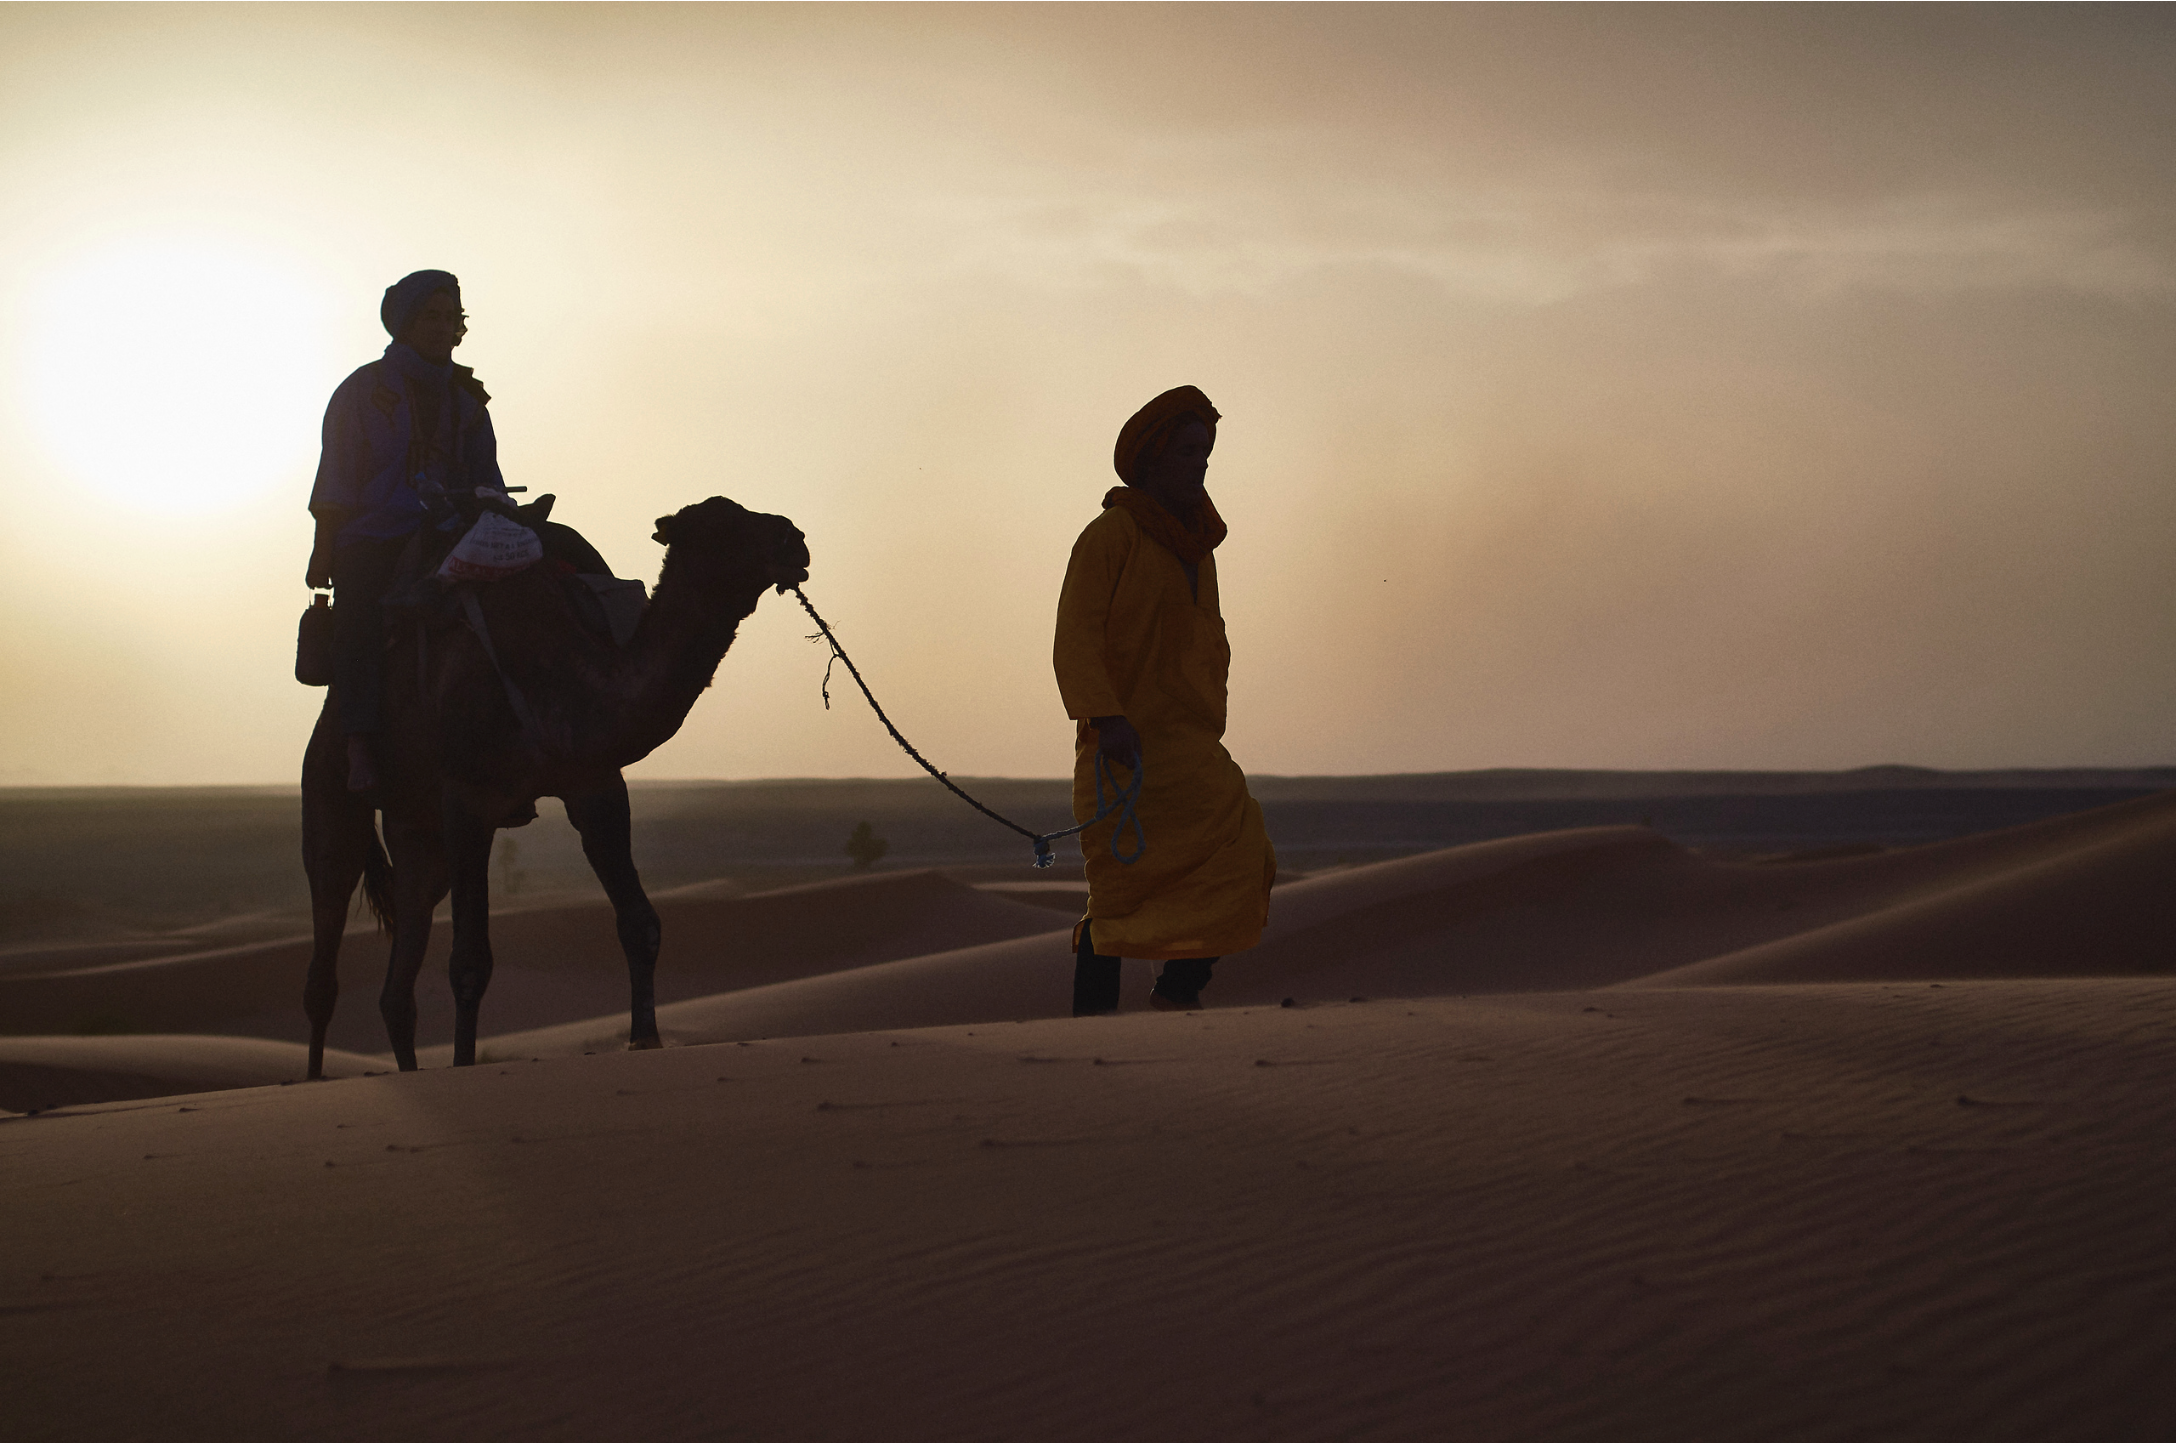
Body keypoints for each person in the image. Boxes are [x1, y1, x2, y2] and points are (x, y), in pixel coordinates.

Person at [1052, 385, 1277, 1014]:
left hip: (1191, 747)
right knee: (1120, 897)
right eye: (1187, 452)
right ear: (1153, 458)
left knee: (1244, 855)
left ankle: (1177, 992)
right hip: (1123, 746)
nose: (1199, 464)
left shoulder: (1196, 546)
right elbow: (1076, 636)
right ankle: (1089, 1027)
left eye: (1206, 452)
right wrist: (1106, 715)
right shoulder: (1111, 535)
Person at [306, 270, 511, 791]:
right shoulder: (361, 391)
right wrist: (323, 550)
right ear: (404, 324)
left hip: (455, 530)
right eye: (431, 317)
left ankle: (520, 742)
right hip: (375, 533)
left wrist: (503, 515)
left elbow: (488, 475)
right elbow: (337, 475)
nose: (442, 327)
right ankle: (357, 744)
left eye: (451, 318)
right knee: (360, 621)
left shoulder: (468, 400)